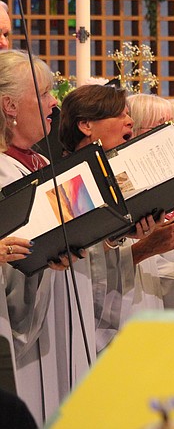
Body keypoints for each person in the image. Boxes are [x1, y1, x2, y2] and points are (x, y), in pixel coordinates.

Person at [59, 85, 174, 351]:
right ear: (86, 125)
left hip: (137, 319)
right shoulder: (71, 184)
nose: (130, 121)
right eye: (120, 115)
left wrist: (127, 235)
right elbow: (79, 272)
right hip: (90, 334)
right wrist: (126, 241)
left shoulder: (122, 177)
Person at [0, 49, 87, 423]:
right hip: (17, 325)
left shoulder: (47, 166)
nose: (55, 104)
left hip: (60, 315)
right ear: (10, 105)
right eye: (46, 93)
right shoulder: (3, 170)